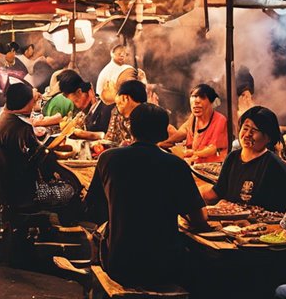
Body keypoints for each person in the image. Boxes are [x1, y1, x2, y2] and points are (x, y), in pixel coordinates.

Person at [84, 103, 210, 288]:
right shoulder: (176, 165)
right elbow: (199, 219)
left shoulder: (108, 158)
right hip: (163, 267)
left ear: (131, 128)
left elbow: (93, 208)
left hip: (118, 264)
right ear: (164, 134)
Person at [0, 83, 81, 212]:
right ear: (25, 103)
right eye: (32, 102)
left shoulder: (5, 120)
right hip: (25, 194)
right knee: (72, 188)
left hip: (8, 190)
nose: (34, 105)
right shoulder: (20, 128)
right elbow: (39, 161)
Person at [201, 106, 286, 212]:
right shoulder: (232, 157)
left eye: (254, 131)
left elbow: (284, 211)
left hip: (260, 226)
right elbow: (218, 192)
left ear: (268, 138)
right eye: (245, 128)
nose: (247, 135)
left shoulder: (274, 166)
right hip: (230, 224)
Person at [172, 84, 228, 164]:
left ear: (211, 102)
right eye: (194, 96)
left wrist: (193, 153)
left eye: (202, 97)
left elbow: (212, 149)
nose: (196, 101)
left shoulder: (220, 120)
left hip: (212, 168)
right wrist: (164, 143)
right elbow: (181, 133)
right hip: (194, 164)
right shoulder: (193, 118)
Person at [104, 79, 147, 147]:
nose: (116, 102)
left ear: (125, 98)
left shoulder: (149, 114)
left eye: (118, 94)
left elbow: (169, 136)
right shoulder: (116, 112)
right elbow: (109, 139)